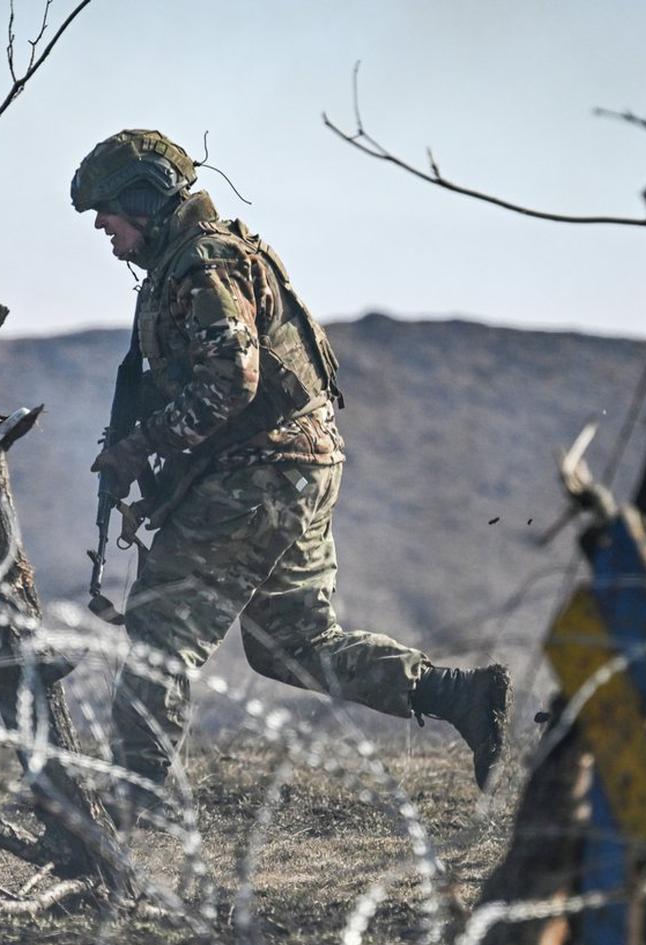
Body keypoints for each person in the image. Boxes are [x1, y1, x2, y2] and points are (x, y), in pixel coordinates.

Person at [70, 129, 511, 823]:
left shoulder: (202, 263)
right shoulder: (193, 260)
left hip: (261, 473)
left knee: (160, 635)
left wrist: (141, 447)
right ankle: (459, 694)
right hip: (296, 467)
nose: (101, 226)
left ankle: (139, 805)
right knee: (294, 645)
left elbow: (231, 384)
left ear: (144, 200)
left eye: (107, 211)